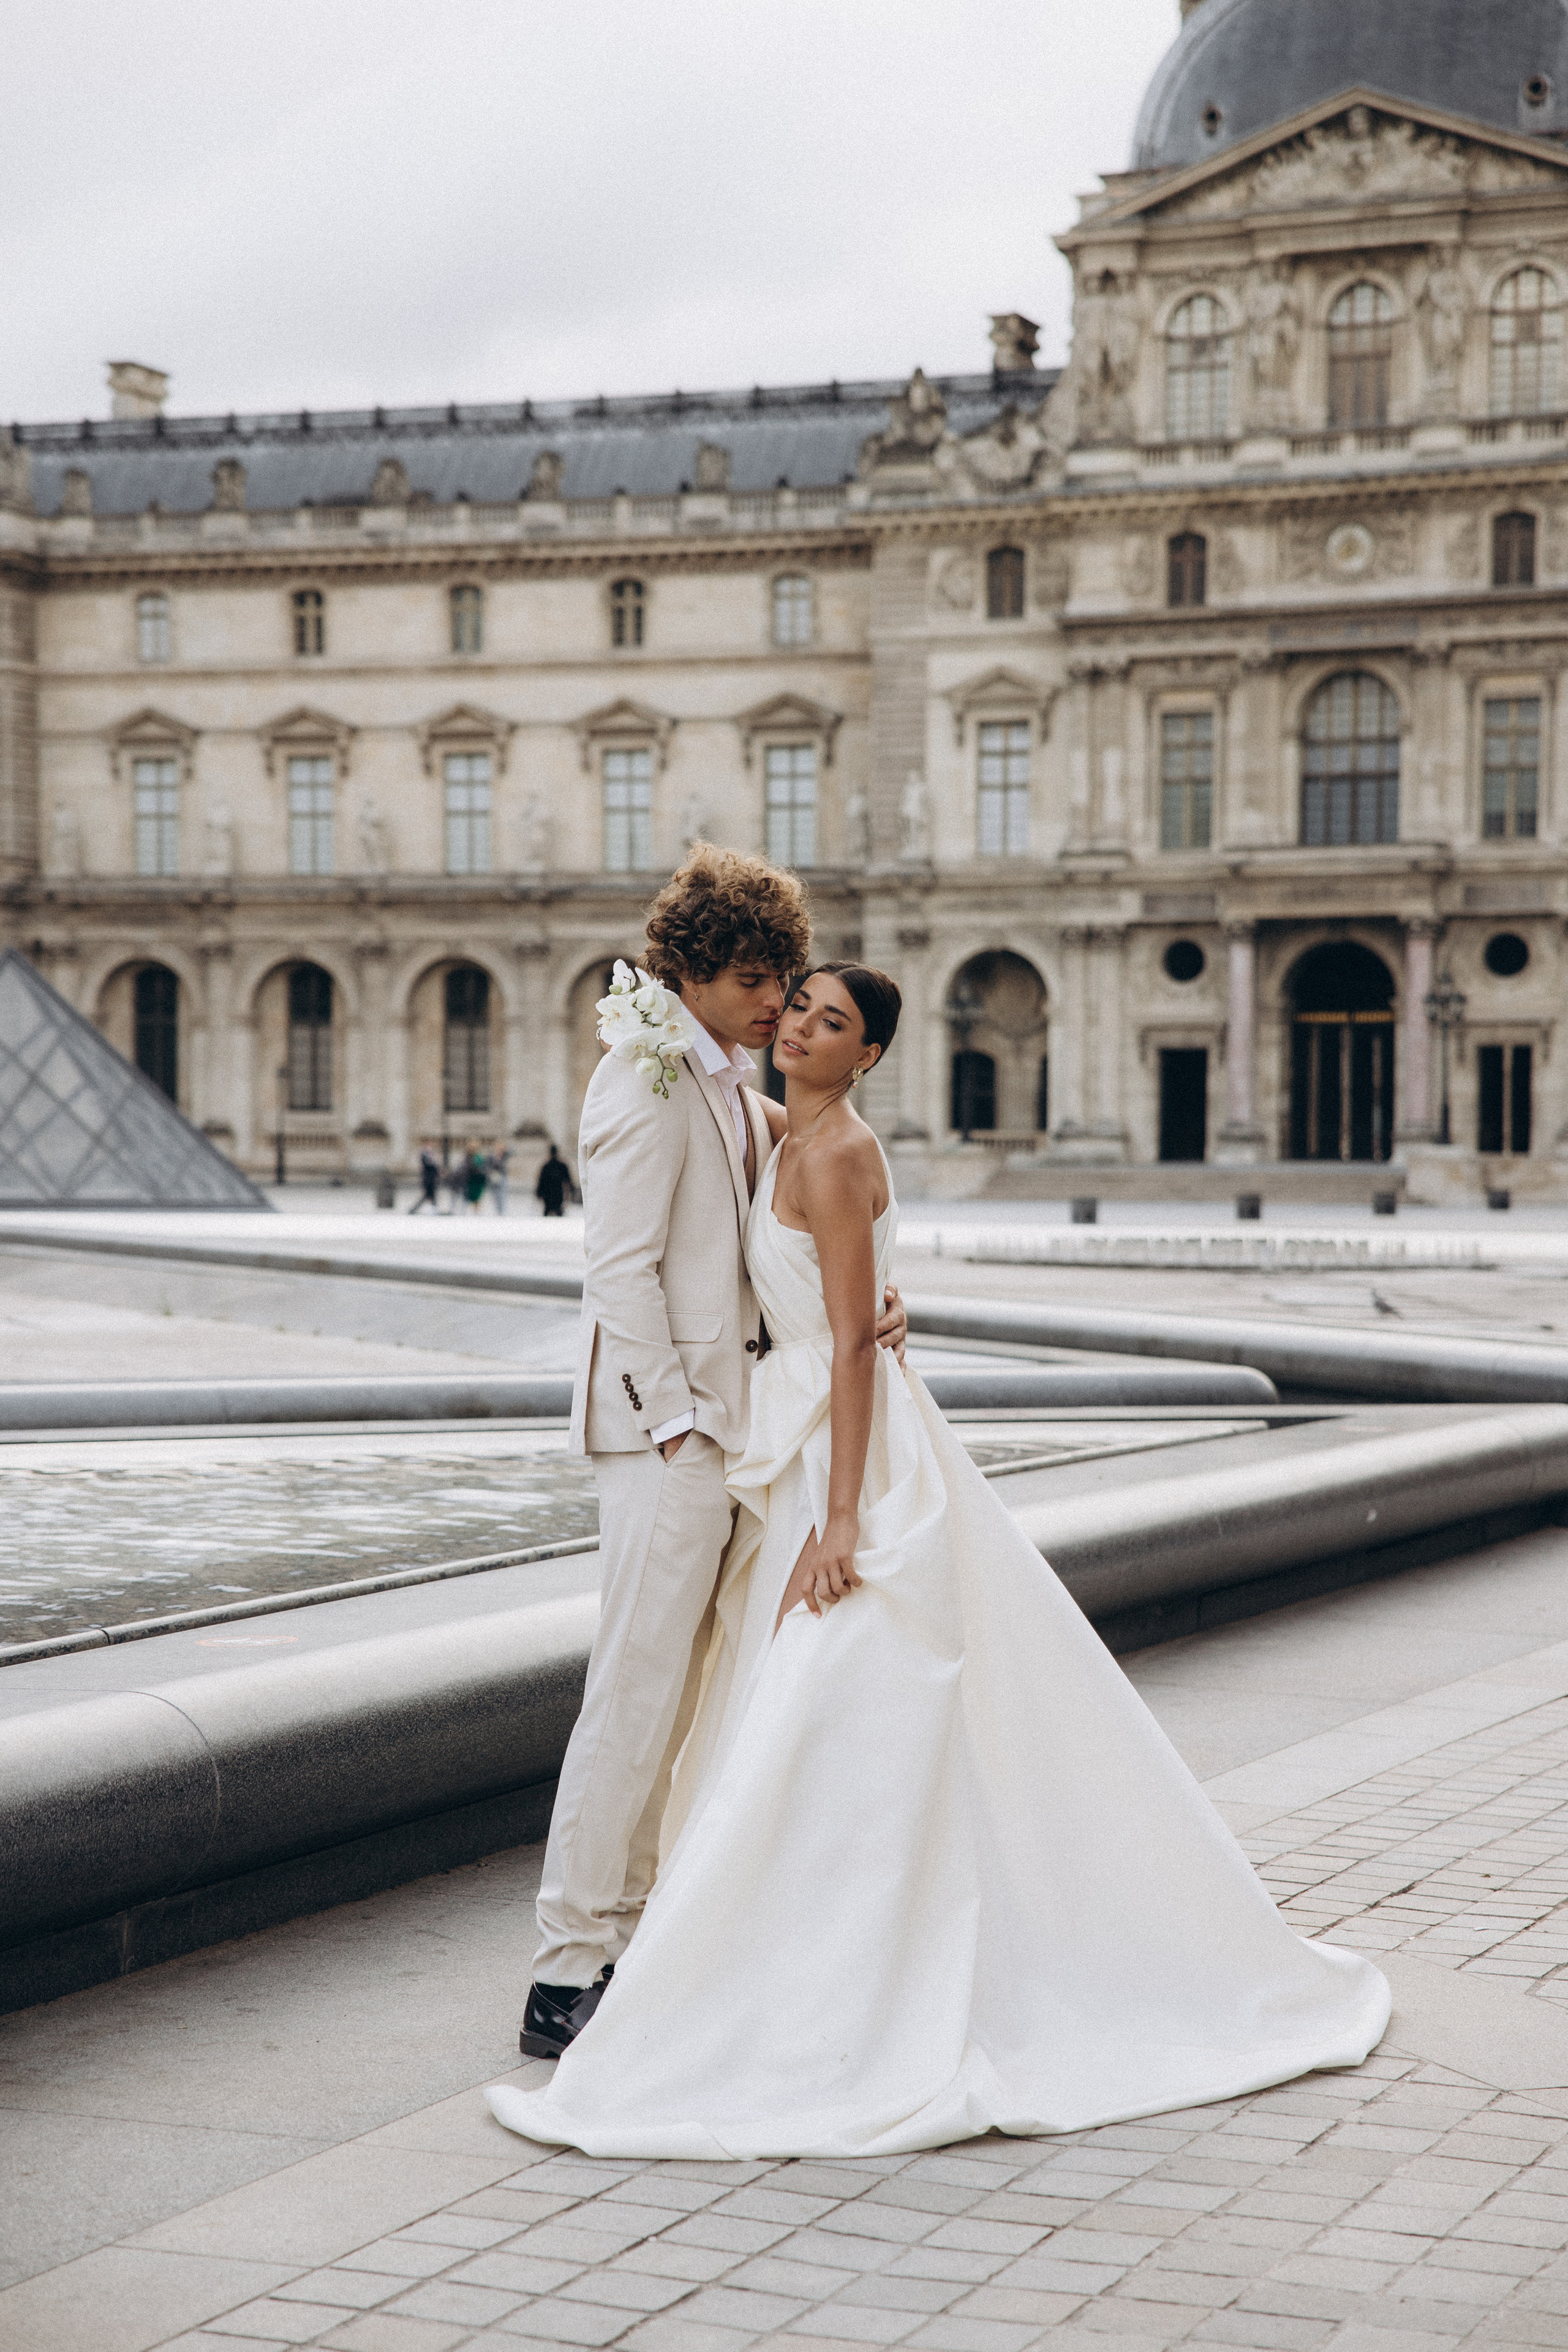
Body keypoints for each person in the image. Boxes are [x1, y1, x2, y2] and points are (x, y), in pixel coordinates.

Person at [488, 963, 1389, 2159]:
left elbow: (855, 1348)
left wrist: (846, 1516)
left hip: (841, 1460)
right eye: (790, 1005)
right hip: (790, 1440)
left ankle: (861, 1965)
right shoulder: (760, 1119)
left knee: (844, 1697)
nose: (796, 1025)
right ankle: (790, 1948)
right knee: (803, 1705)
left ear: (866, 1058)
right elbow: (727, 1162)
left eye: (825, 1021)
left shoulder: (836, 1149)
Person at [518, 848, 908, 2064]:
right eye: (754, 978)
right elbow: (615, 1273)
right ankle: (562, 1968)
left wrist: (877, 1304)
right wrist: (677, 1422)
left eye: (784, 980)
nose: (773, 1002)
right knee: (630, 1700)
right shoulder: (640, 1081)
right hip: (667, 1439)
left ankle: (624, 1940)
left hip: (728, 1436)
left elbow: (816, 1190)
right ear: (687, 973)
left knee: (679, 1702)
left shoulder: (723, 1077)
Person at [535, 1145, 570, 1218]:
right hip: (558, 1193)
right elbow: (568, 1181)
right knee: (558, 1212)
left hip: (548, 1194)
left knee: (548, 1213)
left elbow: (541, 1182)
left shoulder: (546, 1166)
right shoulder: (562, 1166)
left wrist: (539, 1194)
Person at [407, 1142, 440, 1212]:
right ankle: (432, 1209)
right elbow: (431, 1167)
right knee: (428, 1196)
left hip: (431, 1180)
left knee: (431, 1196)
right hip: (428, 1180)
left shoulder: (430, 1158)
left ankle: (433, 1209)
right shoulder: (426, 1157)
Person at [463, 1144, 488, 1212]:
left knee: (477, 1198)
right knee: (469, 1197)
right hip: (470, 1180)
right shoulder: (468, 1158)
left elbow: (482, 1169)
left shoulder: (478, 1158)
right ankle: (469, 1212)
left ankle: (476, 1212)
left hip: (477, 1180)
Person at [489, 1143, 511, 1216]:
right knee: (495, 1196)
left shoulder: (505, 1155)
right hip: (494, 1178)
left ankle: (501, 1212)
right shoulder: (492, 1156)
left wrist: (505, 1150)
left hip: (502, 1177)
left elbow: (513, 1152)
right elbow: (488, 1166)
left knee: (502, 1195)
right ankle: (498, 1211)